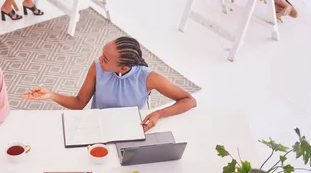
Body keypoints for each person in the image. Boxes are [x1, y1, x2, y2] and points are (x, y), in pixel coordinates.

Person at [21, 37, 197, 132]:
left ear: (124, 67)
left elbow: (189, 100)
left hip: (130, 129)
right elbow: (79, 103)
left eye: (105, 59)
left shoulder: (148, 78)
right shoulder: (97, 67)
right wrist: (51, 95)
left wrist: (159, 113)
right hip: (97, 127)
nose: (99, 60)